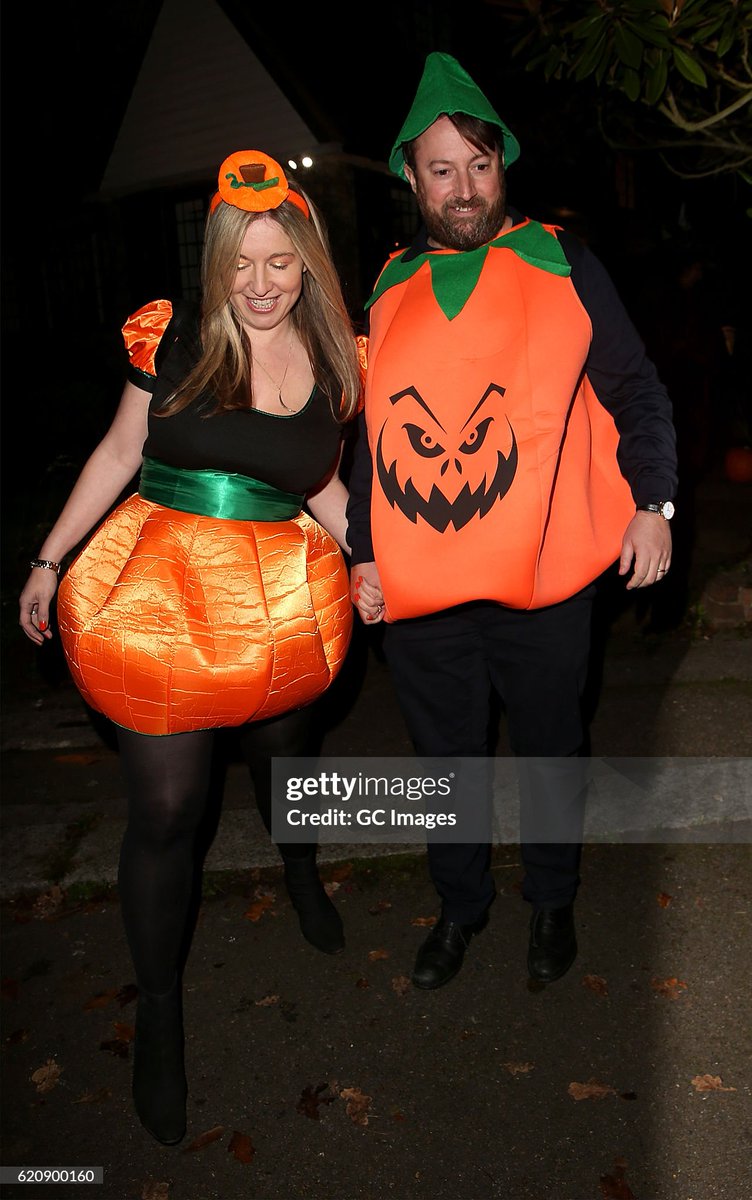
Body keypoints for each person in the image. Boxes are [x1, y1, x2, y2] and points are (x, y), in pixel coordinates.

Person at [19, 149, 365, 1145]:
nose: (260, 283)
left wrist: (373, 559)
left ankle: (298, 870)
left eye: (279, 261)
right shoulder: (172, 338)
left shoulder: (337, 358)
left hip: (281, 593)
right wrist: (48, 558)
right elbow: (120, 451)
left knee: (285, 758)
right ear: (216, 263)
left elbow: (322, 484)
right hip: (159, 589)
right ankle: (161, 1014)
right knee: (169, 808)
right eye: (239, 263)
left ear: (306, 262)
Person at [347, 53, 677, 991]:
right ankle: (460, 908)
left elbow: (637, 390)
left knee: (549, 751)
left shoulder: (561, 259)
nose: (463, 188)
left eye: (478, 165)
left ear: (504, 165)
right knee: (444, 764)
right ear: (412, 177)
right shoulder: (386, 286)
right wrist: (363, 551)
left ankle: (552, 900)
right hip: (423, 595)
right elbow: (371, 439)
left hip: (545, 581)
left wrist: (653, 504)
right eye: (441, 169)